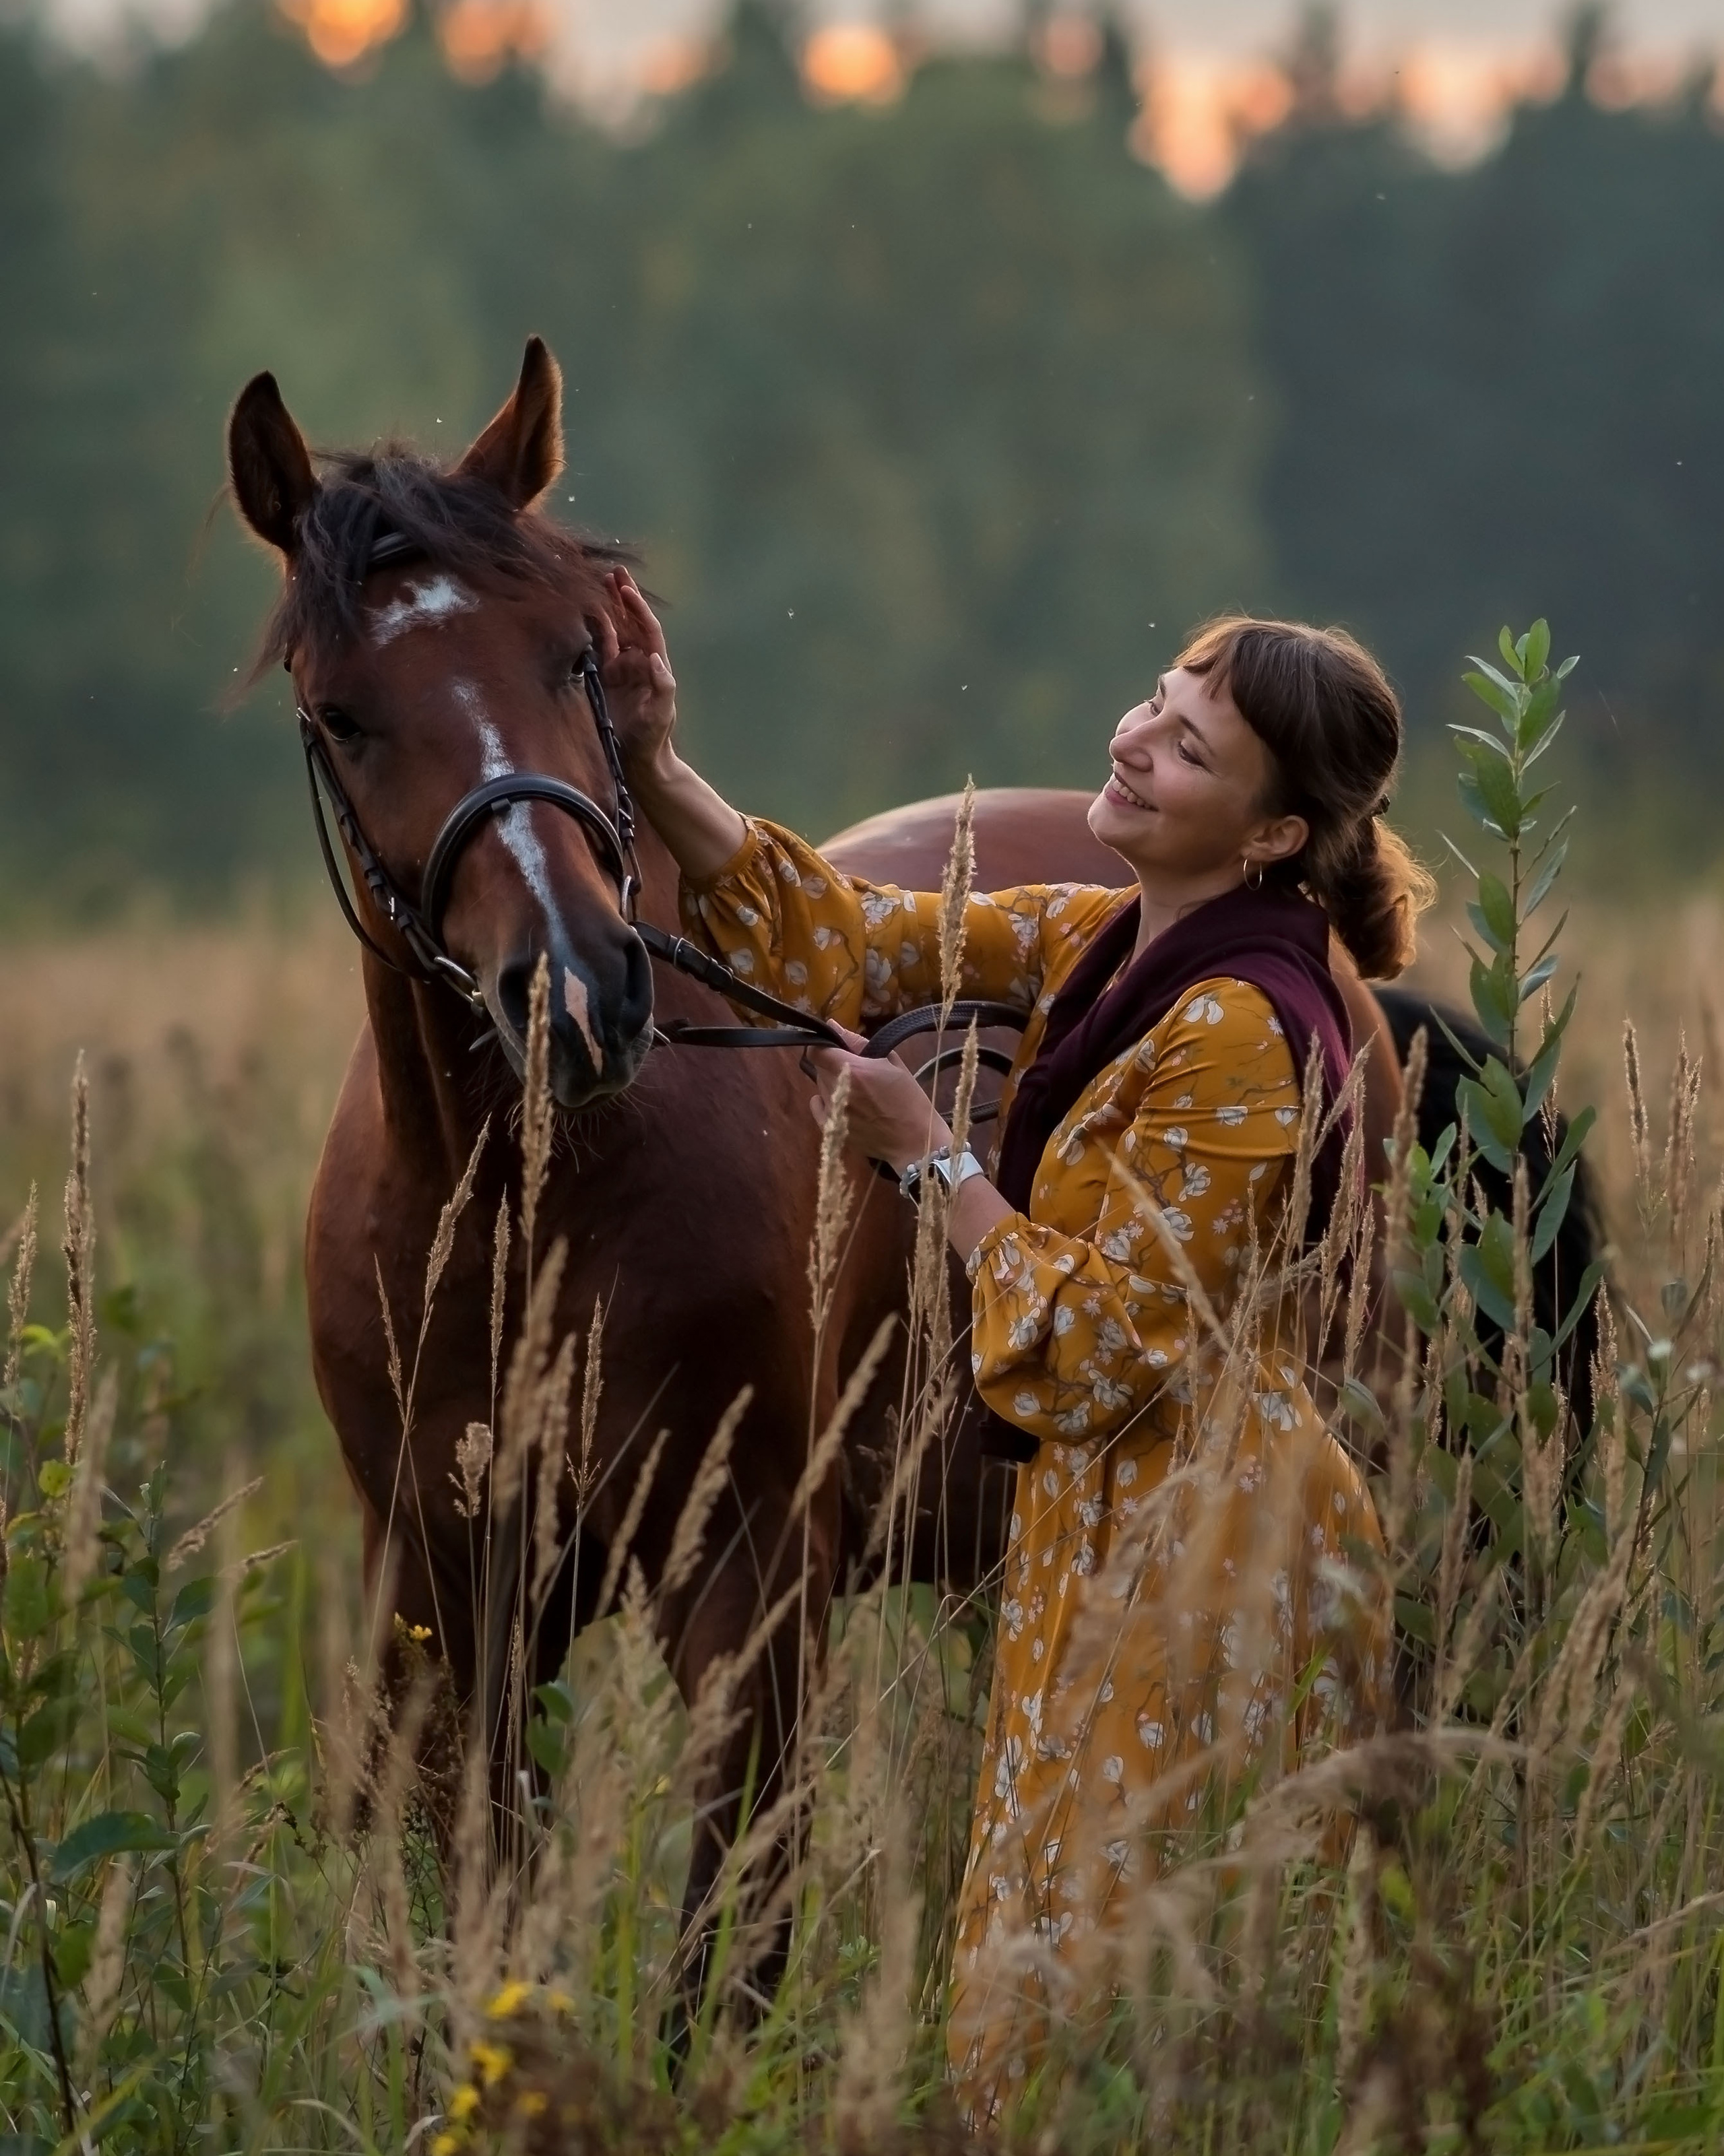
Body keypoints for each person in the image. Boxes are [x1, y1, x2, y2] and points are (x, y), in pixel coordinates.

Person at [599, 570, 1422, 2118]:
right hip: (1101, 1522)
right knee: (1057, 1994)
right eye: (1153, 709)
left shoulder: (1241, 1030)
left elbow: (1105, 1344)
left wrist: (929, 1160)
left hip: (1205, 1538)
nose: (1131, 745)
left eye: (1184, 750)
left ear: (1267, 839)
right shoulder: (1108, 940)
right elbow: (848, 930)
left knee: (1114, 2008)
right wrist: (651, 759)